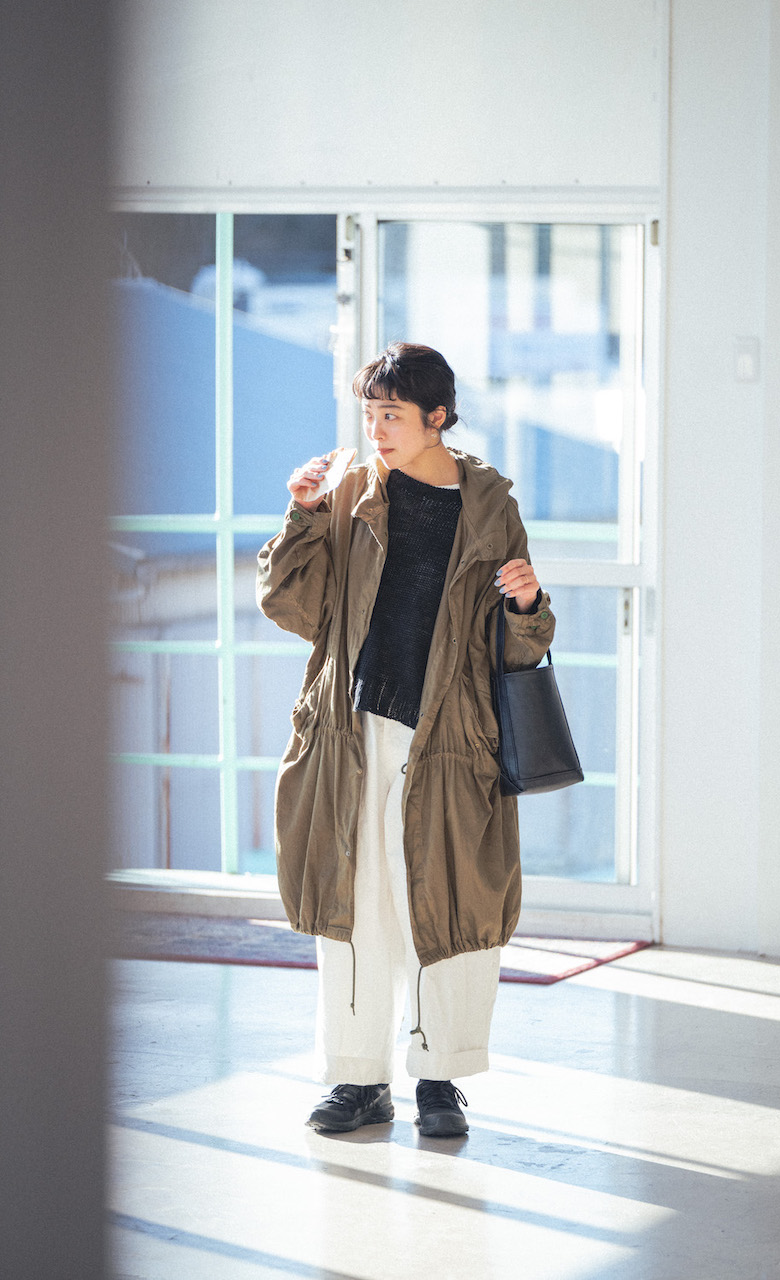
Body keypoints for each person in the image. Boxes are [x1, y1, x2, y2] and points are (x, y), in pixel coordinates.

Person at [256, 342, 555, 1137]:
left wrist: (527, 605)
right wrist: (303, 515)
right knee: (354, 904)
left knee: (446, 902)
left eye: (391, 414)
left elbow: (514, 646)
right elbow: (292, 608)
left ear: (437, 416)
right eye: (370, 413)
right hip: (351, 728)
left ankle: (438, 1079)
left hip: (451, 737)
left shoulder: (488, 507)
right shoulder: (349, 494)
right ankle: (357, 1080)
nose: (376, 429)